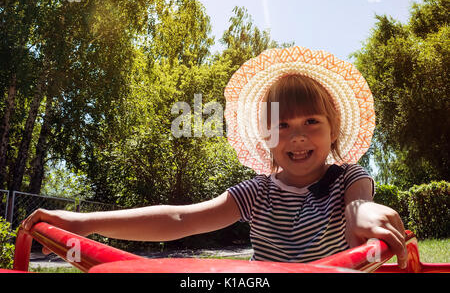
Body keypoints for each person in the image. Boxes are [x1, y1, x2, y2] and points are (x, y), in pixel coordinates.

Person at [21, 46, 408, 268]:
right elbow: (180, 217)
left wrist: (365, 214)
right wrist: (85, 224)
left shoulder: (347, 178)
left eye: (311, 121)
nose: (298, 136)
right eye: (282, 125)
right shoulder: (257, 193)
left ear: (334, 129)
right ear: (267, 138)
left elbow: (358, 206)